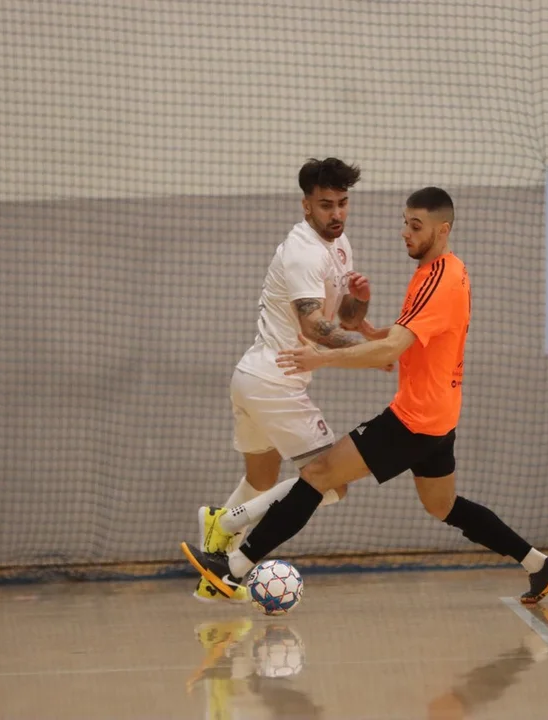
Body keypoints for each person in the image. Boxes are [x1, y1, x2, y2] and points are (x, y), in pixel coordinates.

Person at [182, 187, 548, 606]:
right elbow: (412, 336)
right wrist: (369, 334)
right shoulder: (445, 271)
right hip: (440, 413)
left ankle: (233, 566)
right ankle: (538, 564)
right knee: (443, 505)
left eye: (415, 226)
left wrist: (321, 360)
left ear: (443, 229)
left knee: (318, 476)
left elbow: (392, 351)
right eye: (404, 222)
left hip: (414, 417)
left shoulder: (439, 279)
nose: (405, 232)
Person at [192, 157, 379, 603]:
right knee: (332, 483)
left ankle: (214, 576)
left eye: (342, 203)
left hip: (254, 376)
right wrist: (370, 353)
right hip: (276, 379)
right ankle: (227, 521)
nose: (336, 214)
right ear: (305, 206)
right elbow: (315, 327)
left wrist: (359, 301)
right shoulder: (302, 251)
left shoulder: (339, 245)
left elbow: (343, 318)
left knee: (261, 478)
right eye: (325, 205)